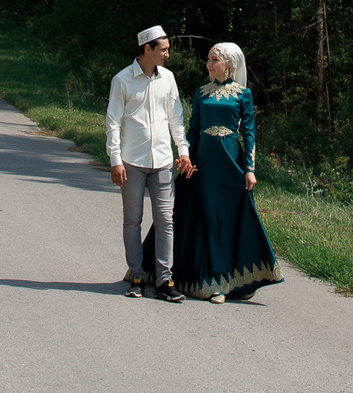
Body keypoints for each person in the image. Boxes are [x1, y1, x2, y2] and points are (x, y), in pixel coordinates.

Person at [174, 41, 282, 302]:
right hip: (204, 163)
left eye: (215, 60)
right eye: (208, 60)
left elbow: (249, 134)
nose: (209, 64)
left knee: (228, 218)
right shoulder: (201, 93)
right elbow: (193, 130)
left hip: (231, 162)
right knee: (208, 217)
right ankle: (214, 281)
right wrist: (186, 156)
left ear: (229, 64)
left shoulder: (243, 94)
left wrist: (250, 169)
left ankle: (231, 280)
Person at [106, 25, 191, 300]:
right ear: (147, 49)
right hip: (131, 161)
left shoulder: (168, 79)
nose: (167, 54)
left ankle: (165, 280)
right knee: (132, 220)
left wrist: (183, 151)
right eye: (163, 50)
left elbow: (176, 118)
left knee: (166, 220)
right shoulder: (122, 80)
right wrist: (115, 160)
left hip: (163, 160)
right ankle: (137, 276)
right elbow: (113, 122)